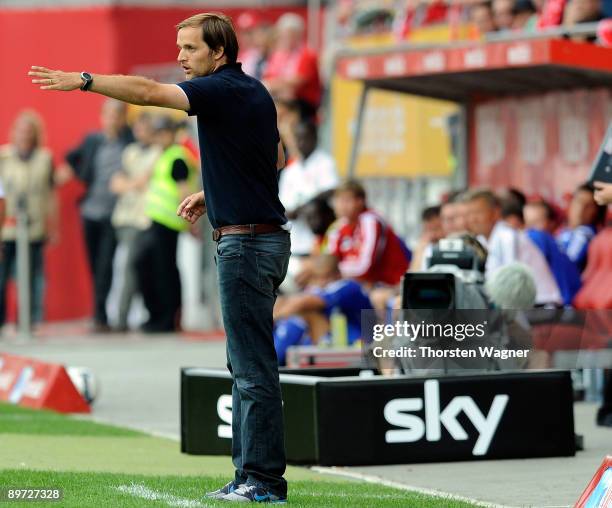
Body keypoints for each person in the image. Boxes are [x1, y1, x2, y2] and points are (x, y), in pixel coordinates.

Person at [30, 11, 289, 503]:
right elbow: (273, 158)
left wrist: (85, 81)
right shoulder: (251, 91)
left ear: (219, 52)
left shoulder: (223, 89)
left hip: (247, 244)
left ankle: (263, 482)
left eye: (190, 49)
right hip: (257, 236)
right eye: (179, 49)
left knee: (252, 369)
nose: (180, 58)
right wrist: (214, 196)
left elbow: (149, 93)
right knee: (246, 366)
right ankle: (248, 476)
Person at [64, 99, 134, 332]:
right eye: (109, 115)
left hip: (114, 215)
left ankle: (100, 316)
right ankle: (99, 312)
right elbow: (71, 157)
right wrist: (82, 175)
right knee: (94, 265)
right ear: (102, 117)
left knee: (106, 265)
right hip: (90, 211)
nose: (113, 119)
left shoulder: (130, 141)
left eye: (117, 115)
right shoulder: (93, 140)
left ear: (123, 118)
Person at [132, 116, 197, 333]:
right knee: (147, 265)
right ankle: (156, 314)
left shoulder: (177, 157)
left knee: (165, 271)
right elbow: (144, 180)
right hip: (156, 221)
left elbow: (184, 190)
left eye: (164, 133)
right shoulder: (164, 155)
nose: (160, 138)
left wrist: (190, 221)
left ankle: (168, 318)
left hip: (169, 222)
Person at [0, 110, 56, 328]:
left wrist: (53, 224)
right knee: (2, 277)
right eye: (21, 131)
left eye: (29, 131)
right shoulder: (3, 157)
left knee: (31, 277)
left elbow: (50, 194)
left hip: (34, 226)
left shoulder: (44, 158)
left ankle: (30, 320)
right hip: (6, 226)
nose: (24, 136)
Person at [465, 189, 562, 306]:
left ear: (495, 213)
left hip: (542, 305)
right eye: (469, 214)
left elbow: (510, 286)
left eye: (478, 212)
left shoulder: (507, 236)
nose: (472, 219)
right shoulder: (482, 240)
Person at [110, 112, 161, 331]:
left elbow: (142, 181)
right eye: (139, 129)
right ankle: (121, 317)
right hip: (127, 218)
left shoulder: (159, 152)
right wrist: (134, 183)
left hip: (147, 217)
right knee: (128, 268)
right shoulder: (130, 152)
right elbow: (116, 184)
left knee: (141, 269)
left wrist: (130, 183)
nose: (142, 133)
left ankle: (132, 316)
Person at [273, 254, 373, 365]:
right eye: (318, 277)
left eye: (326, 277)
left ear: (337, 274)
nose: (322, 282)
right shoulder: (320, 287)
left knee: (304, 313)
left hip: (358, 341)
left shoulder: (349, 286)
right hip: (332, 338)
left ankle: (272, 360)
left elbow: (306, 302)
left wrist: (275, 316)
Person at [327, 180, 410, 287]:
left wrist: (334, 271)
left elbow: (365, 267)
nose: (341, 206)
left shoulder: (371, 221)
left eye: (346, 201)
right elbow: (329, 260)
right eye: (338, 201)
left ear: (360, 201)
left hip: (388, 284)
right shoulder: (338, 226)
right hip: (359, 283)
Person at [279, 119, 338, 257]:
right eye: (298, 138)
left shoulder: (325, 162)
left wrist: (303, 208)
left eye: (305, 138)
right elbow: (281, 204)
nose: (301, 143)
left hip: (319, 239)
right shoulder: (290, 170)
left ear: (315, 137)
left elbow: (331, 190)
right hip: (294, 240)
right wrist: (290, 212)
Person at [263, 13, 322, 119]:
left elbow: (296, 82)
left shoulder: (307, 54)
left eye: (287, 34)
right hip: (282, 100)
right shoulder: (279, 54)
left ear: (297, 34)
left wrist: (273, 85)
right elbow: (268, 78)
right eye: (281, 34)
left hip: (303, 106)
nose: (283, 38)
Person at [557, 182, 607, 273]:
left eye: (588, 206)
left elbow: (567, 266)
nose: (581, 209)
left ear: (597, 212)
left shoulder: (584, 234)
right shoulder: (565, 231)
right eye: (578, 201)